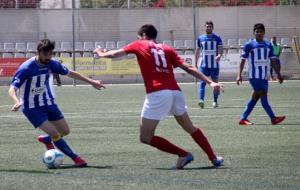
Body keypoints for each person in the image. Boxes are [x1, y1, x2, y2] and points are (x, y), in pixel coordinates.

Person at [94, 24, 224, 169]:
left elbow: (114, 54)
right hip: (176, 92)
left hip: (158, 93)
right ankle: (213, 158)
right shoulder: (167, 48)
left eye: (138, 37)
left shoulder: (139, 44)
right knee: (190, 127)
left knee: (145, 137)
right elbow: (189, 67)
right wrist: (210, 82)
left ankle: (183, 154)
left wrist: (100, 53)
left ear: (143, 35)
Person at [8, 39, 105, 167]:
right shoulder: (26, 68)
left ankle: (46, 140)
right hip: (31, 107)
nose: (48, 57)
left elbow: (71, 73)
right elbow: (12, 89)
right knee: (55, 133)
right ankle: (76, 158)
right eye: (45, 54)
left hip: (48, 103)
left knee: (65, 131)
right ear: (38, 52)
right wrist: (16, 101)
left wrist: (92, 82)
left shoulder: (52, 63)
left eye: (50, 54)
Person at [236, 23, 285, 125]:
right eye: (257, 31)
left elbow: (273, 61)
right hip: (254, 76)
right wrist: (239, 74)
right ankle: (273, 118)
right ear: (254, 33)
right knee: (263, 94)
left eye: (261, 31)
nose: (259, 33)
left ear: (264, 33)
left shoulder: (268, 45)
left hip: (264, 76)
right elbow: (242, 60)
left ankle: (243, 118)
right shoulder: (249, 45)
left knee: (255, 97)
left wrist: (278, 74)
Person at [195, 21, 223, 109]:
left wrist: (219, 55)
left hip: (214, 66)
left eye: (210, 27)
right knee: (202, 83)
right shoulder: (200, 38)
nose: (208, 28)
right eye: (207, 27)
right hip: (203, 66)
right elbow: (197, 51)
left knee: (215, 84)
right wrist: (196, 63)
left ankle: (215, 101)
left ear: (212, 28)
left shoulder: (217, 38)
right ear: (205, 28)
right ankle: (201, 101)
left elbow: (220, 49)